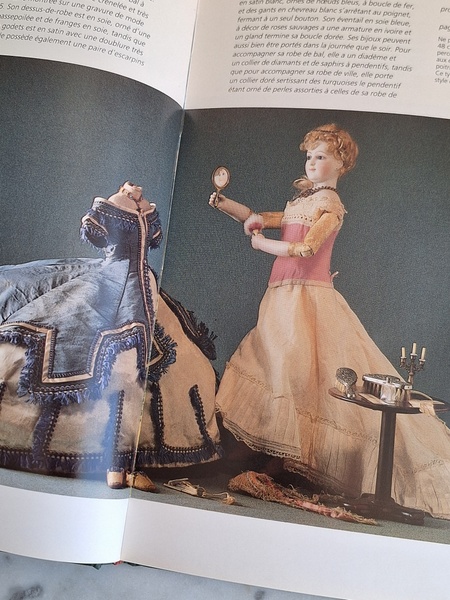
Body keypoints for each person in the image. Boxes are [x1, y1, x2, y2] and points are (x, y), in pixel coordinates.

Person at [209, 124, 450, 519]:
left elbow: (306, 248)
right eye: (310, 156)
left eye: (321, 156)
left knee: (298, 371)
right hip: (281, 296)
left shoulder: (331, 204)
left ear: (341, 164)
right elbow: (260, 218)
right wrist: (225, 204)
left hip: (306, 299)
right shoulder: (302, 200)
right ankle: (275, 456)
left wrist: (262, 243)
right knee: (276, 368)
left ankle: (284, 461)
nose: (312, 162)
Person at [0, 182, 222, 489]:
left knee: (156, 357)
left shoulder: (148, 209)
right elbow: (93, 233)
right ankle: (109, 458)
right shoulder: (115, 202)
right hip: (112, 277)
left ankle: (125, 457)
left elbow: (152, 239)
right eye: (132, 189)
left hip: (142, 283)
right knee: (93, 343)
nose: (138, 190)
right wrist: (119, 203)